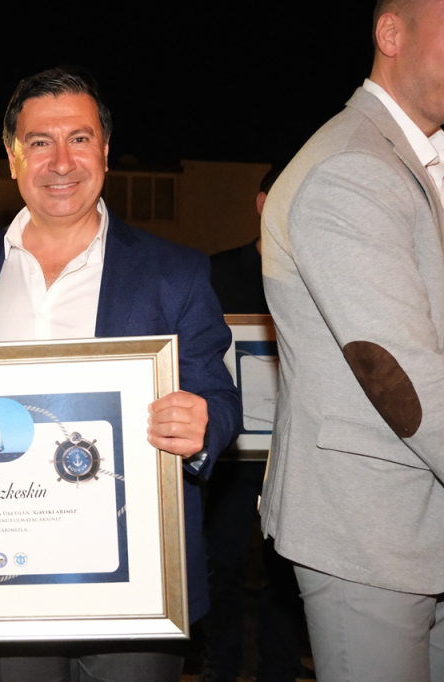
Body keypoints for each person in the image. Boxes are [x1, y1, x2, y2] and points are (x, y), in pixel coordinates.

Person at [0, 66, 241, 682]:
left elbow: (219, 398)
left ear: (106, 152)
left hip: (135, 577)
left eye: (80, 139)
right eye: (40, 141)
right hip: (7, 570)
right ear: (12, 156)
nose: (61, 161)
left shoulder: (176, 273)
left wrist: (203, 424)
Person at [260, 1, 444, 680]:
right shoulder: (352, 166)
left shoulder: (413, 159)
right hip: (371, 533)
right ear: (392, 33)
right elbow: (401, 380)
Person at [201, 166, 310, 682]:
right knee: (220, 565)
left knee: (285, 573)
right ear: (264, 202)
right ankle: (220, 667)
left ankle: (280, 670)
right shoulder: (214, 273)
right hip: (230, 456)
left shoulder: (317, 275)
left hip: (296, 454)